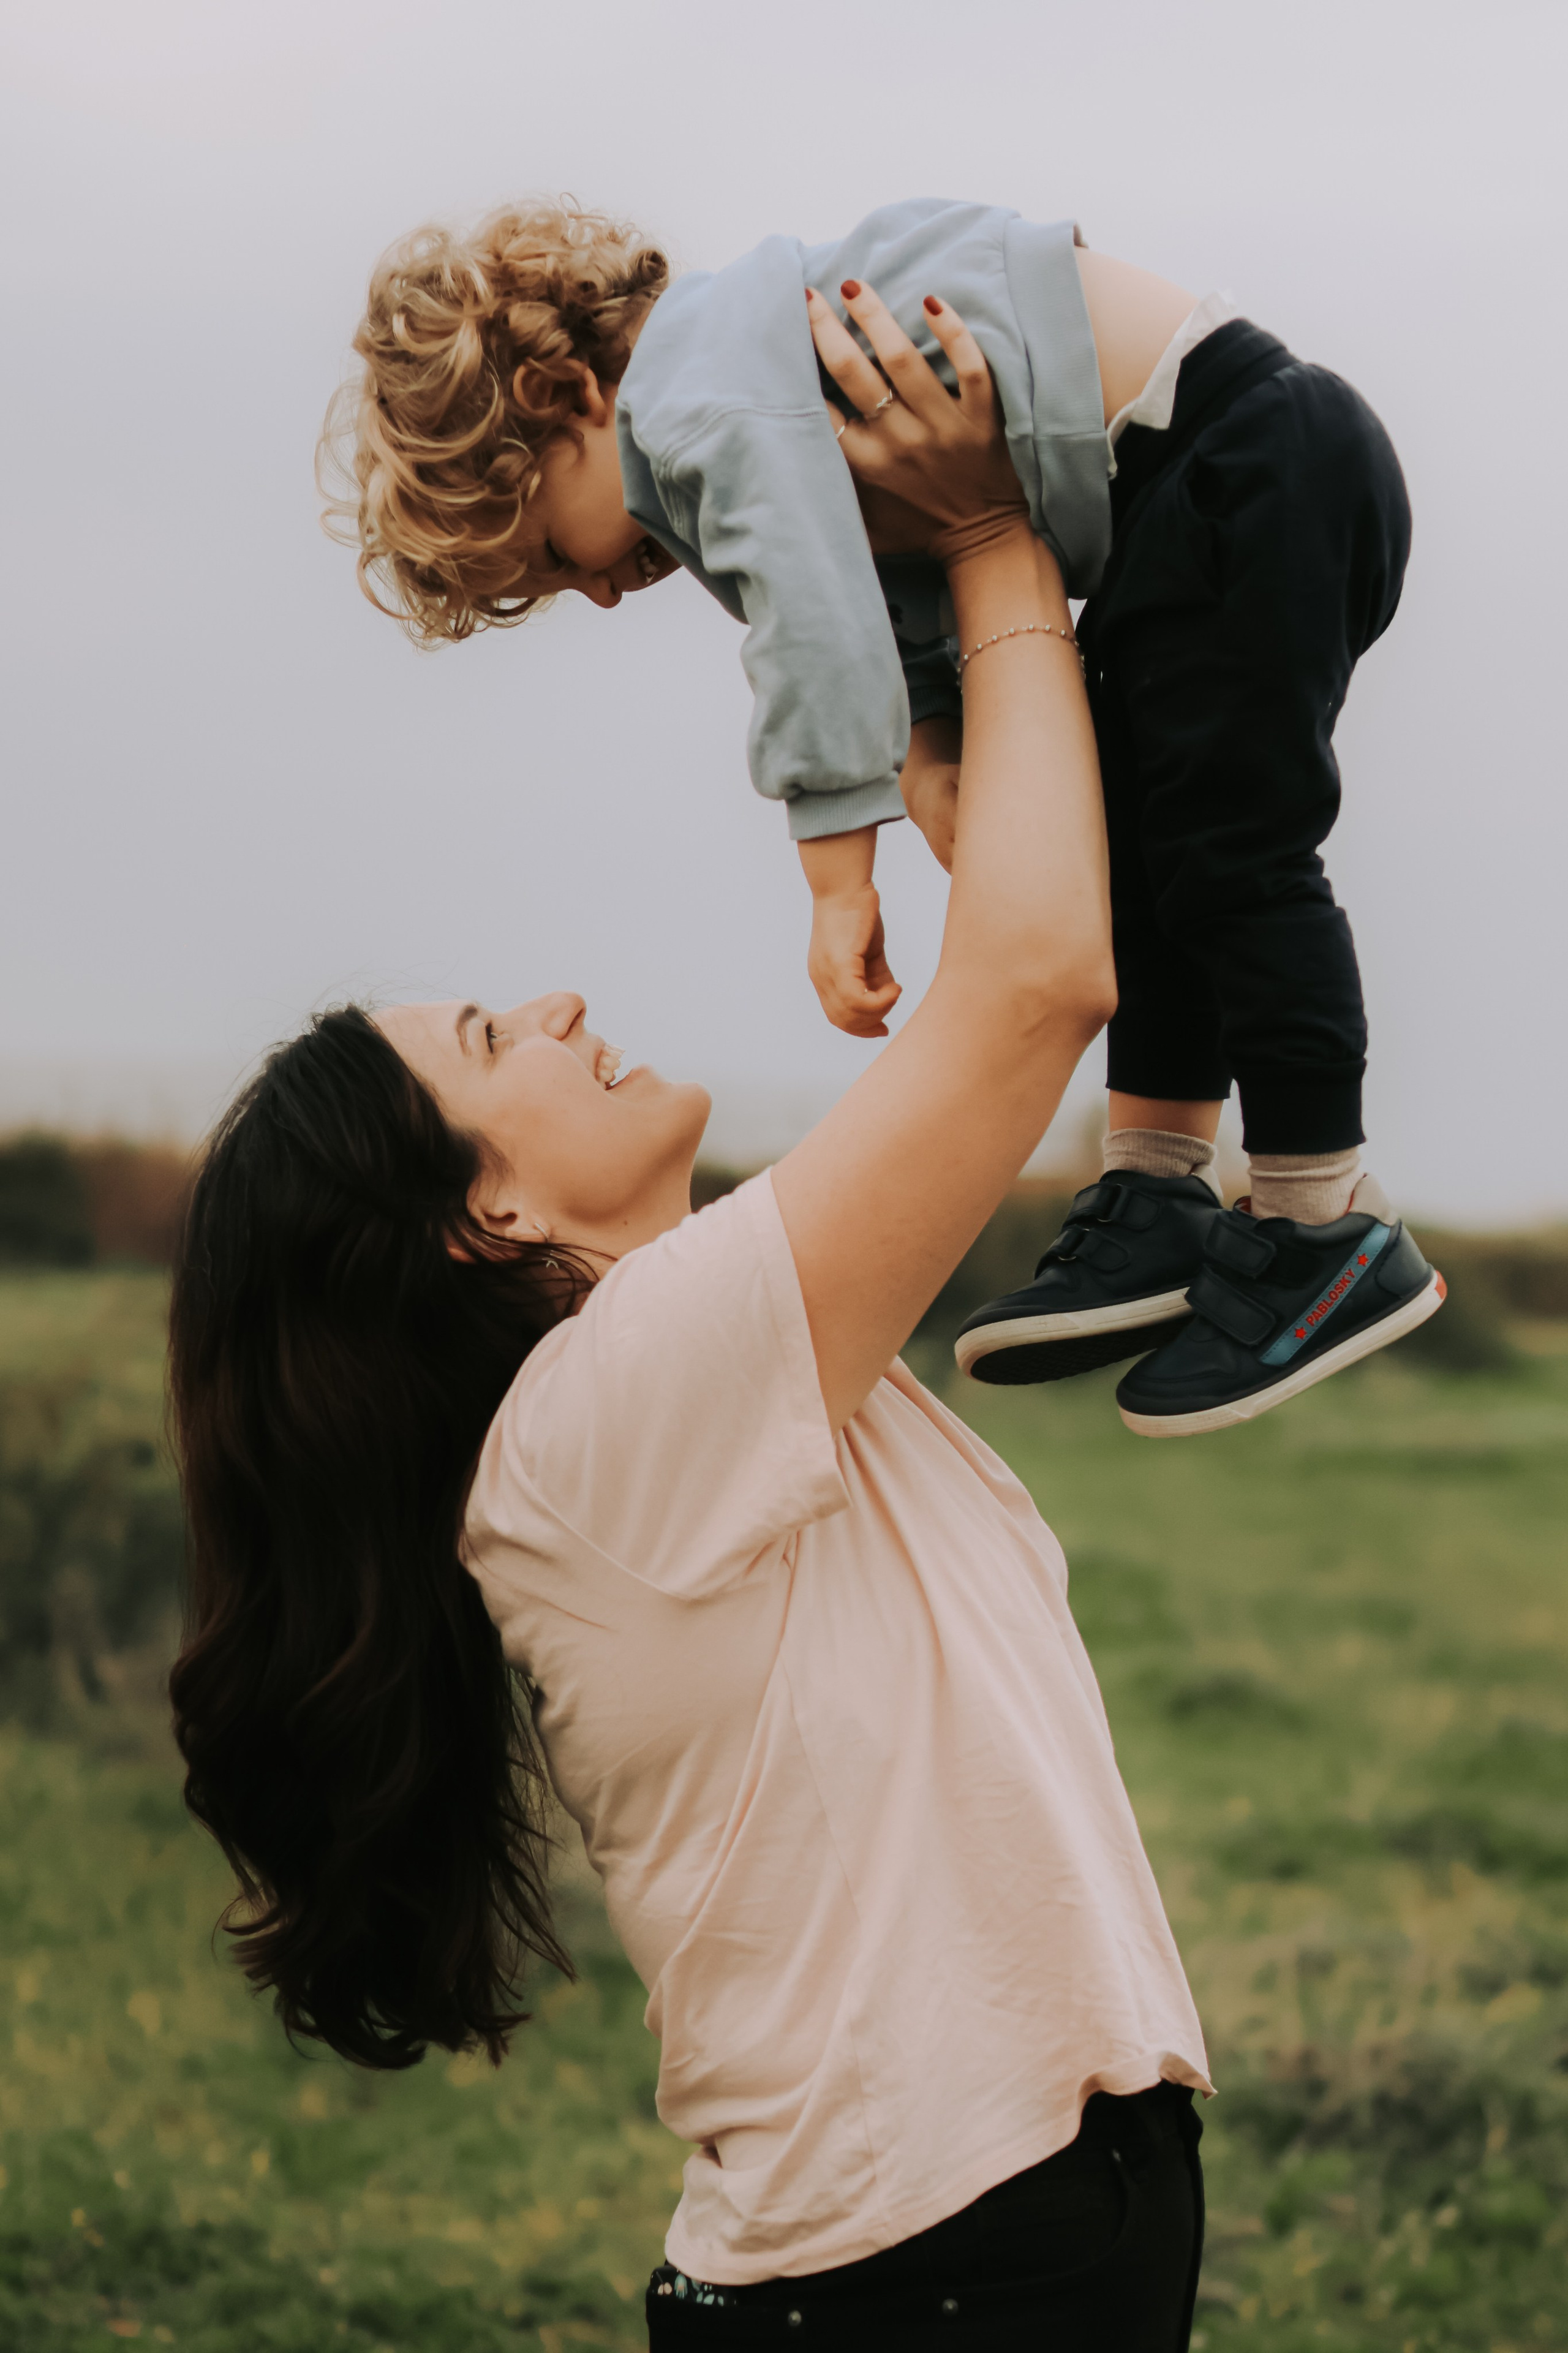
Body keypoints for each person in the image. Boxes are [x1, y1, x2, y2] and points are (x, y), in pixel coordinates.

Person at [178, 297, 1208, 2351]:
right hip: (916, 2273)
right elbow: (1029, 986)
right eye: (494, 1037)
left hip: (971, 2248)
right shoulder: (610, 1419)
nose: (556, 1002)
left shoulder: (698, 1378)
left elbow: (1033, 943)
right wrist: (993, 528)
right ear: (484, 1207)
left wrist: (935, 679)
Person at [324, 193, 1444, 1433]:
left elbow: (814, 619)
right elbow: (887, 582)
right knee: (1148, 861)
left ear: (561, 400)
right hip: (1187, 494)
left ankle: (1322, 1215)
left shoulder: (690, 399)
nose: (596, 593)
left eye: (553, 556)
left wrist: (835, 874)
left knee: (1233, 853)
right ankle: (1157, 1192)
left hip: (1243, 452)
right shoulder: (730, 393)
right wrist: (932, 756)